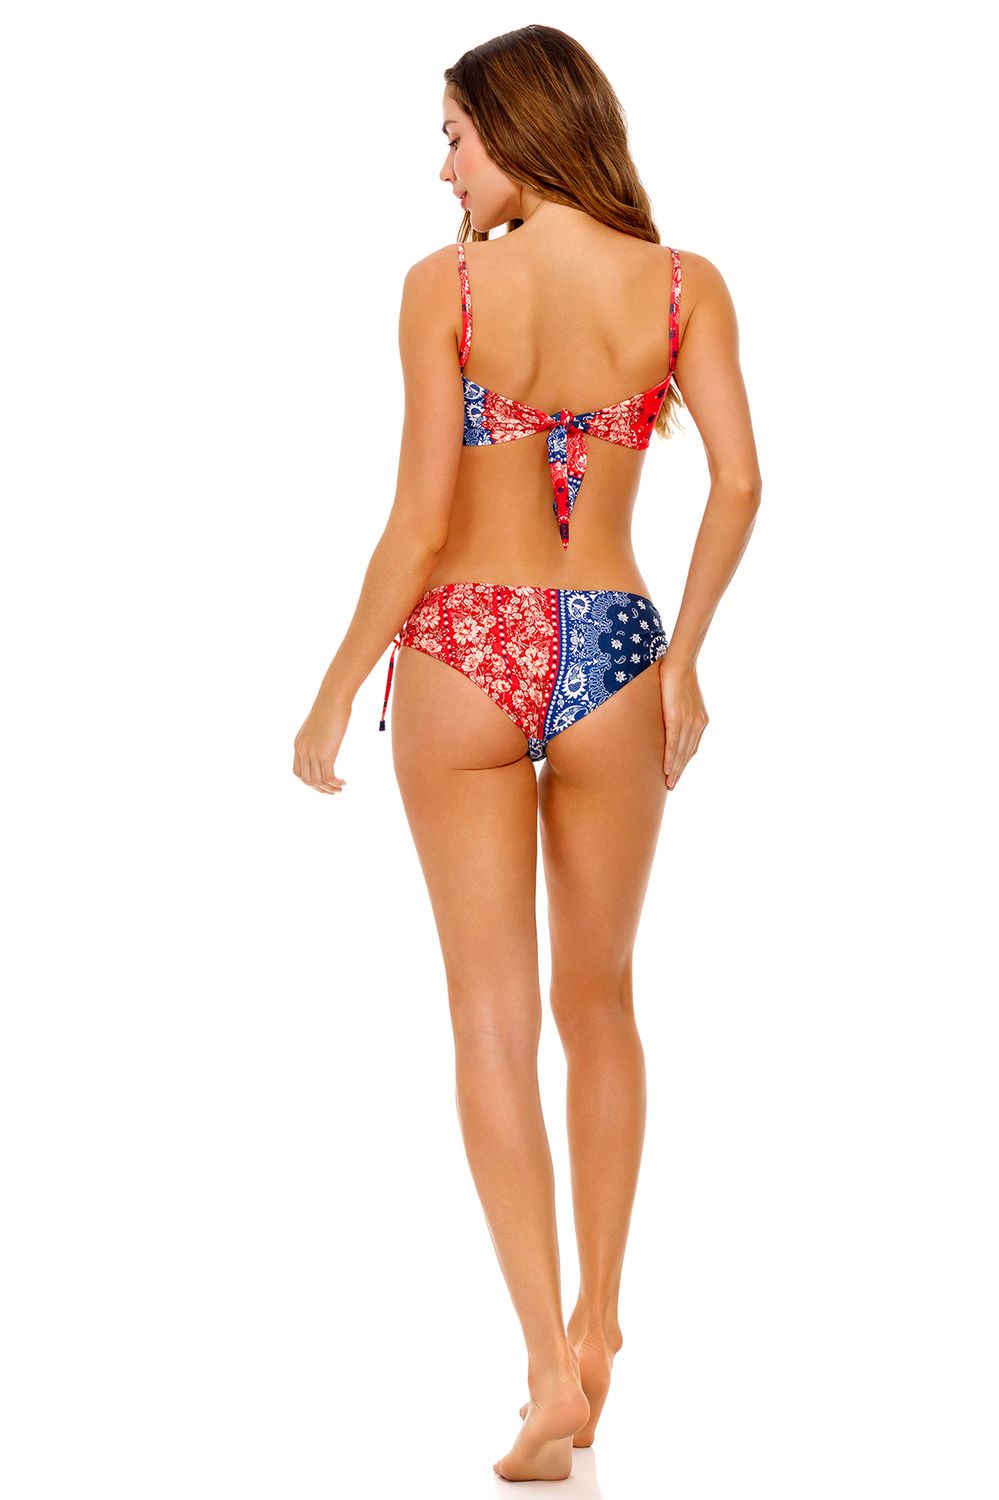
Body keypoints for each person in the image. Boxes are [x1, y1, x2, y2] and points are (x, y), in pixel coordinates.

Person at [293, 23, 762, 1484]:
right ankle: (602, 1324)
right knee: (601, 1001)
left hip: (466, 652)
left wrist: (332, 693)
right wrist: (687, 659)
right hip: (617, 645)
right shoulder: (682, 286)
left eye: (453, 135)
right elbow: (741, 483)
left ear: (517, 128)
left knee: (491, 1020)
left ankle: (548, 1373)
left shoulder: (446, 289)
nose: (443, 169)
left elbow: (420, 523)